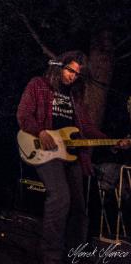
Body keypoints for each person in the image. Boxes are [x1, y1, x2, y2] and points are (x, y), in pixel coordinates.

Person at [17, 50, 130, 264]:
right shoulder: (39, 84)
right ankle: (51, 256)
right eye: (70, 70)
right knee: (60, 197)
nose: (73, 76)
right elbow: (23, 114)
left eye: (77, 74)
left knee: (79, 208)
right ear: (60, 66)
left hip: (71, 154)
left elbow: (87, 127)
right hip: (45, 150)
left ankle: (74, 255)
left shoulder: (75, 97)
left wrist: (112, 141)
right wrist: (40, 131)